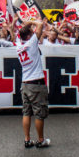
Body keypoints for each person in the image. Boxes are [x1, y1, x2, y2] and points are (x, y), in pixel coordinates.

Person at [17, 20, 50, 148]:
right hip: (36, 82)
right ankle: (40, 140)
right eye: (32, 32)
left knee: (26, 112)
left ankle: (27, 139)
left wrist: (26, 26)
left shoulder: (19, 46)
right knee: (39, 113)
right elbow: (40, 25)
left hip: (25, 83)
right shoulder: (31, 43)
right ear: (29, 36)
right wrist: (30, 21)